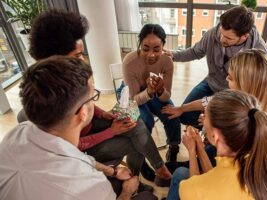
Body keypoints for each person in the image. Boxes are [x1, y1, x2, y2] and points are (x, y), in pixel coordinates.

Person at [19, 9, 172, 186]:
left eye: (83, 54)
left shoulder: (68, 79)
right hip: (82, 150)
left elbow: (88, 105)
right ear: (56, 58)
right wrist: (111, 131)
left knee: (134, 122)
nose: (83, 61)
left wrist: (102, 114)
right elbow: (72, 148)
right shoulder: (43, 104)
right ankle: (135, 178)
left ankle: (149, 172)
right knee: (136, 140)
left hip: (89, 127)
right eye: (77, 56)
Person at [0, 56, 158, 200]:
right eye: (93, 96)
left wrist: (114, 172)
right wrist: (127, 192)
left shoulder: (17, 133)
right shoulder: (90, 186)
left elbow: (76, 155)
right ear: (83, 112)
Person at [163, 49, 267, 193]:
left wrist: (195, 147)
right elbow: (213, 101)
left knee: (183, 174)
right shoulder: (261, 98)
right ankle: (194, 162)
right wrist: (182, 108)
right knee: (210, 150)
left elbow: (223, 181)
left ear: (246, 84)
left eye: (230, 77)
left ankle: (193, 163)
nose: (226, 80)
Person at [164, 5, 267, 128]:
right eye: (221, 33)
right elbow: (195, 52)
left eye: (228, 37)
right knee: (186, 116)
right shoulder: (213, 33)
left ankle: (210, 136)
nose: (221, 39)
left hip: (236, 94)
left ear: (245, 36)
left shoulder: (259, 51)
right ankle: (207, 133)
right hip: (212, 82)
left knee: (222, 126)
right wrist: (174, 55)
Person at [172, 90, 267, 200]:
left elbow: (198, 189)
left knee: (179, 174)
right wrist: (199, 149)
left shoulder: (191, 189)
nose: (203, 118)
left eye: (205, 116)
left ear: (215, 136)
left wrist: (192, 151)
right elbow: (217, 182)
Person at [122, 24, 181, 164]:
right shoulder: (130, 62)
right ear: (139, 45)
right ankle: (141, 158)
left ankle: (173, 147)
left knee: (171, 114)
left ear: (163, 46)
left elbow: (166, 96)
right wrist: (149, 92)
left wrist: (160, 90)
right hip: (132, 93)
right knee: (145, 120)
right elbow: (134, 99)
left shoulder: (167, 61)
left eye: (157, 49)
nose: (151, 55)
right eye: (145, 48)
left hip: (153, 90)